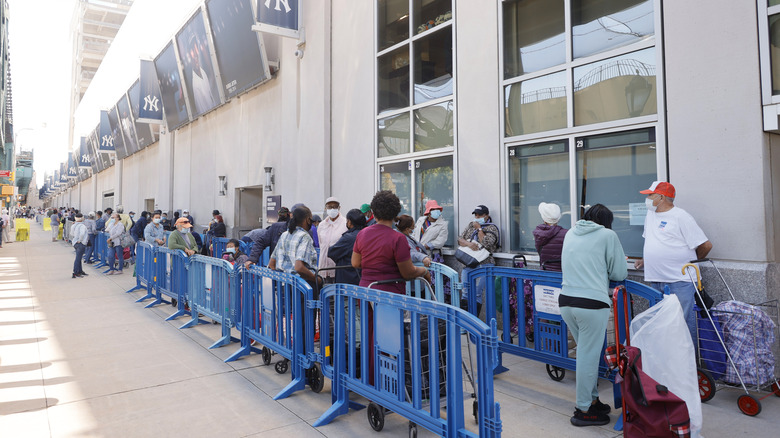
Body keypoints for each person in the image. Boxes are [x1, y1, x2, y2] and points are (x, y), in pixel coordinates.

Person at [559, 204, 627, 427]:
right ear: (607, 221)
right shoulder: (608, 235)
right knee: (588, 357)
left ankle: (593, 399)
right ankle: (583, 409)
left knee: (586, 354)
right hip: (592, 304)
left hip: (567, 301)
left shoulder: (570, 232)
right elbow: (619, 272)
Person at [635, 181, 713, 343]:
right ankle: (668, 362)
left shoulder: (681, 216)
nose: (647, 199)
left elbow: (706, 245)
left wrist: (689, 262)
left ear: (661, 197)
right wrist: (645, 259)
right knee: (660, 325)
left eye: (650, 195)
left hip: (680, 281)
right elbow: (652, 241)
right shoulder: (650, 215)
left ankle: (688, 365)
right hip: (656, 279)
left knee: (683, 323)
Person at [353, 191, 429, 294]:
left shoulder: (362, 233)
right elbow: (408, 273)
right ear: (395, 213)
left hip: (365, 291)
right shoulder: (398, 238)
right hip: (389, 295)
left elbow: (355, 263)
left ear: (373, 212)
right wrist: (424, 271)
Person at [457, 205, 500, 315]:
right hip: (468, 263)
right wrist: (469, 244)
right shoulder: (470, 225)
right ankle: (465, 324)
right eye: (475, 215)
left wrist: (479, 229)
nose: (477, 217)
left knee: (477, 293)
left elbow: (487, 243)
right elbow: (460, 239)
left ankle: (474, 324)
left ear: (486, 216)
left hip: (483, 264)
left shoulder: (492, 228)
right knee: (465, 292)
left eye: (479, 215)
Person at [268, 206, 321, 289]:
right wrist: (317, 279)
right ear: (307, 220)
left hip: (285, 286)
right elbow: (299, 267)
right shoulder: (304, 237)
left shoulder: (284, 235)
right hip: (302, 287)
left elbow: (271, 264)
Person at [327, 209, 367, 285]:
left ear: (349, 222)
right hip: (362, 278)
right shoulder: (367, 234)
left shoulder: (348, 237)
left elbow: (331, 252)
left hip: (348, 279)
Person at [317, 197, 348, 284]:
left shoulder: (345, 223)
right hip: (323, 267)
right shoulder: (322, 225)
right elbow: (321, 244)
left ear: (339, 208)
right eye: (329, 207)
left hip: (338, 268)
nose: (332, 209)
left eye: (335, 207)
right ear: (325, 208)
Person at [533, 202, 568, 272]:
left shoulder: (538, 234)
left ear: (543, 218)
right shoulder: (567, 234)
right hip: (564, 275)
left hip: (545, 273)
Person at [71, 213, 90, 278]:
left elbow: (71, 233)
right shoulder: (82, 226)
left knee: (79, 258)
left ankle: (80, 271)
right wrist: (80, 240)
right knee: (78, 258)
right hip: (80, 243)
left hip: (75, 243)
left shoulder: (73, 225)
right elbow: (82, 234)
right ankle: (76, 272)